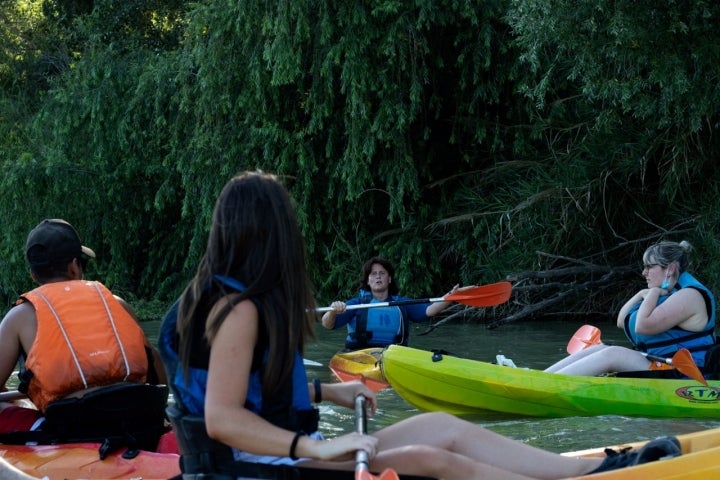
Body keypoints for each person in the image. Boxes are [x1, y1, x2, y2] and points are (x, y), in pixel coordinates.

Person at [159, 171, 680, 480]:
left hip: (269, 457)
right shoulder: (237, 308)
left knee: (445, 426)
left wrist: (325, 392)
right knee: (433, 456)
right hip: (260, 469)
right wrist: (313, 446)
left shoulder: (222, 297)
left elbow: (247, 388)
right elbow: (223, 417)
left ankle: (589, 470)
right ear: (272, 233)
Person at [0, 219, 167, 438]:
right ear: (73, 266)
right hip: (138, 417)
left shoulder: (19, 316)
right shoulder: (116, 303)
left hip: (73, 427)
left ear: (33, 275)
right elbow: (159, 376)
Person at [546, 240, 716, 376]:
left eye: (649, 266)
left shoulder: (689, 296)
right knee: (600, 348)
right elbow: (622, 321)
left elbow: (642, 327)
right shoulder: (669, 293)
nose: (644, 273)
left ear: (670, 268)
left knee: (613, 354)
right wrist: (641, 294)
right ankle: (542, 377)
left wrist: (653, 293)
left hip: (686, 374)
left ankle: (546, 386)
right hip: (660, 364)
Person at [321, 256, 462, 350]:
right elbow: (327, 324)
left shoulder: (401, 304)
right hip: (359, 355)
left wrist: (452, 295)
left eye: (382, 273)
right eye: (373, 274)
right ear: (368, 280)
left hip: (392, 356)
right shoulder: (356, 304)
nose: (378, 277)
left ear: (389, 279)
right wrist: (332, 311)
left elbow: (430, 310)